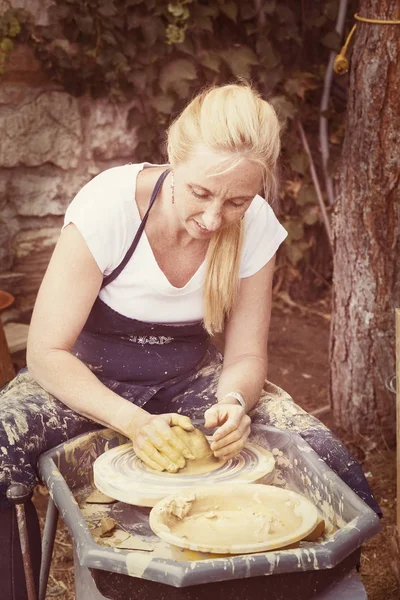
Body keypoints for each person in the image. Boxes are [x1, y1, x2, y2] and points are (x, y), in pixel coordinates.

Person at [0, 83, 379, 599]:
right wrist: (133, 422)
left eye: (237, 201)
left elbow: (246, 353)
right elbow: (45, 352)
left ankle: (296, 587)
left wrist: (234, 401)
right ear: (173, 159)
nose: (212, 219)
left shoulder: (257, 225)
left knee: (325, 458)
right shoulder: (109, 205)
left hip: (188, 377)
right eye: (201, 192)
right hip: (87, 376)